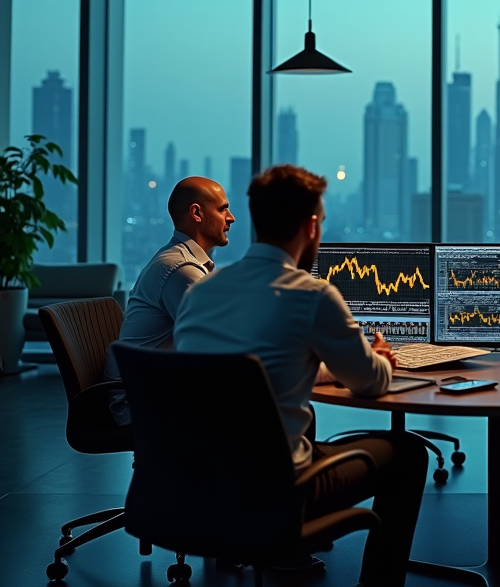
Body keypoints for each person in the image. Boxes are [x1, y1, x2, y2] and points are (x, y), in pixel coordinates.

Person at [173, 165, 426, 586]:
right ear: (311, 226)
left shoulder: (201, 293)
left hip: (200, 483)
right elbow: (371, 382)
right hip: (277, 488)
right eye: (322, 224)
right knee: (409, 453)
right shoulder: (311, 294)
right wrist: (378, 356)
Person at [103, 176, 235, 425]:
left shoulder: (182, 260)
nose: (231, 218)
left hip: (153, 386)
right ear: (196, 213)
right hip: (143, 400)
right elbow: (221, 339)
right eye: (223, 209)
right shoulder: (180, 268)